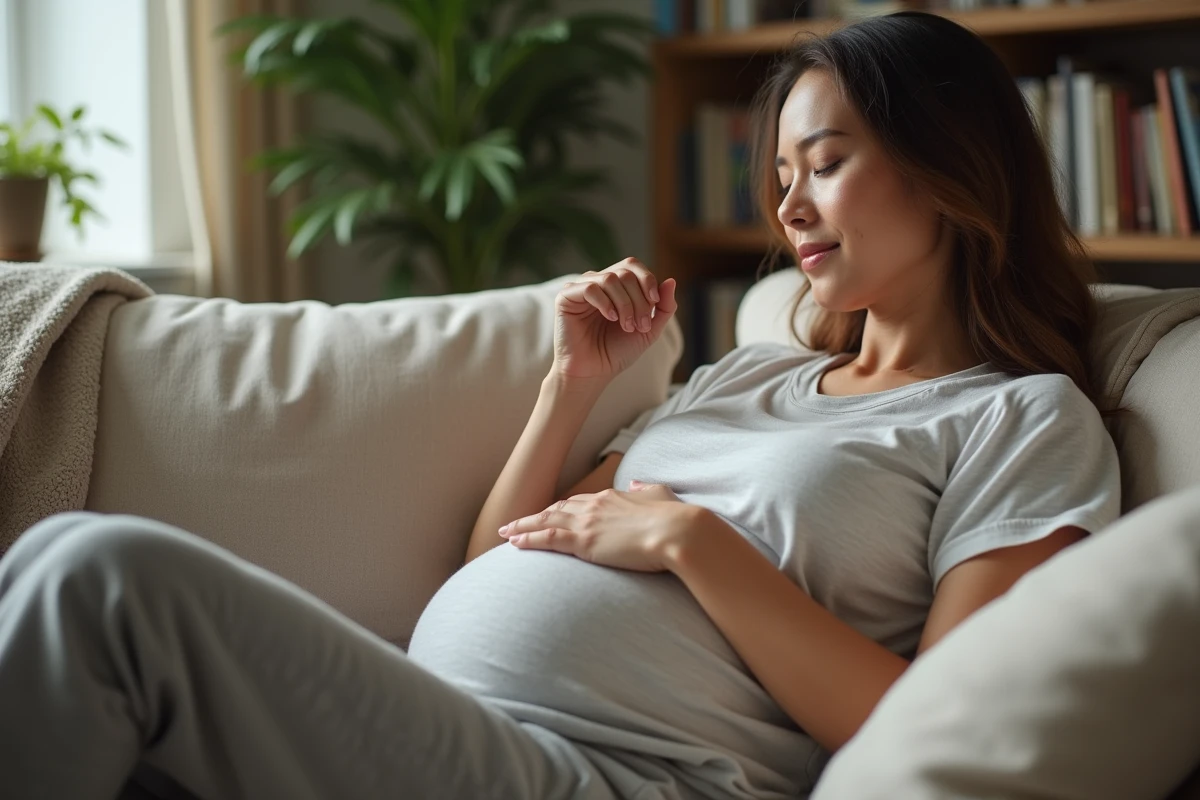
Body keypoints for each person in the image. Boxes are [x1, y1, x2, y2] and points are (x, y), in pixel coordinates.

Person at [0, 11, 1120, 800]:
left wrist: (689, 537)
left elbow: (946, 726)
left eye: (822, 163)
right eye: (777, 173)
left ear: (951, 169)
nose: (788, 205)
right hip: (453, 727)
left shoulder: (1021, 419)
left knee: (94, 580)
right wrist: (569, 386)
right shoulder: (748, 372)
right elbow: (501, 552)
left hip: (622, 776)